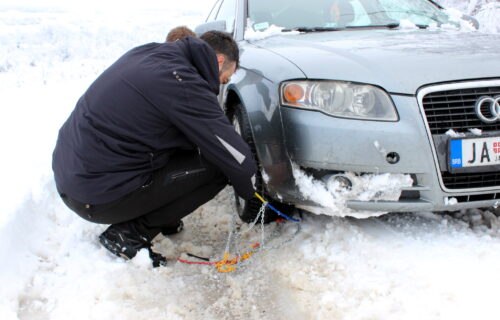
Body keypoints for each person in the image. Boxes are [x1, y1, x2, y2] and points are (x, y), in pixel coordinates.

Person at [52, 31, 257, 266]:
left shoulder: (150, 53)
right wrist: (253, 194)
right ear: (219, 61)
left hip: (74, 177)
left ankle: (161, 217)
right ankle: (128, 234)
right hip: (96, 195)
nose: (221, 86)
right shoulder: (181, 81)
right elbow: (233, 153)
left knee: (190, 147)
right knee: (218, 167)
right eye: (224, 80)